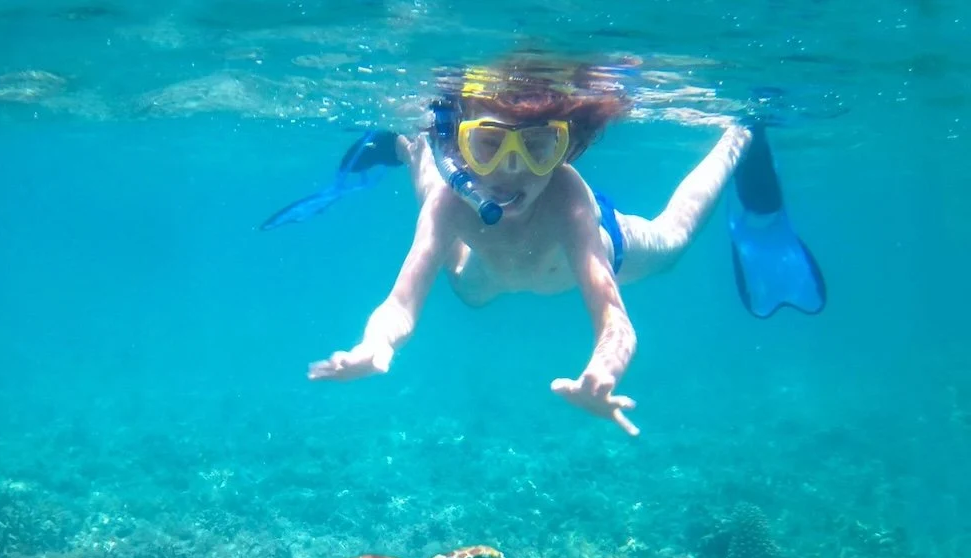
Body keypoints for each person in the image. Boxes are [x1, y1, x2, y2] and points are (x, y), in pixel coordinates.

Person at [264, 59, 825, 437]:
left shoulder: (566, 198)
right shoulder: (451, 201)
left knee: (672, 242)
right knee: (456, 269)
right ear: (460, 148)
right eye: (487, 144)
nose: (511, 170)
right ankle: (413, 149)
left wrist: (603, 371)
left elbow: (615, 320)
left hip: (597, 250)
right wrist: (376, 344)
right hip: (484, 274)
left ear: (567, 149)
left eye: (537, 148)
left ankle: (740, 134)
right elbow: (401, 303)